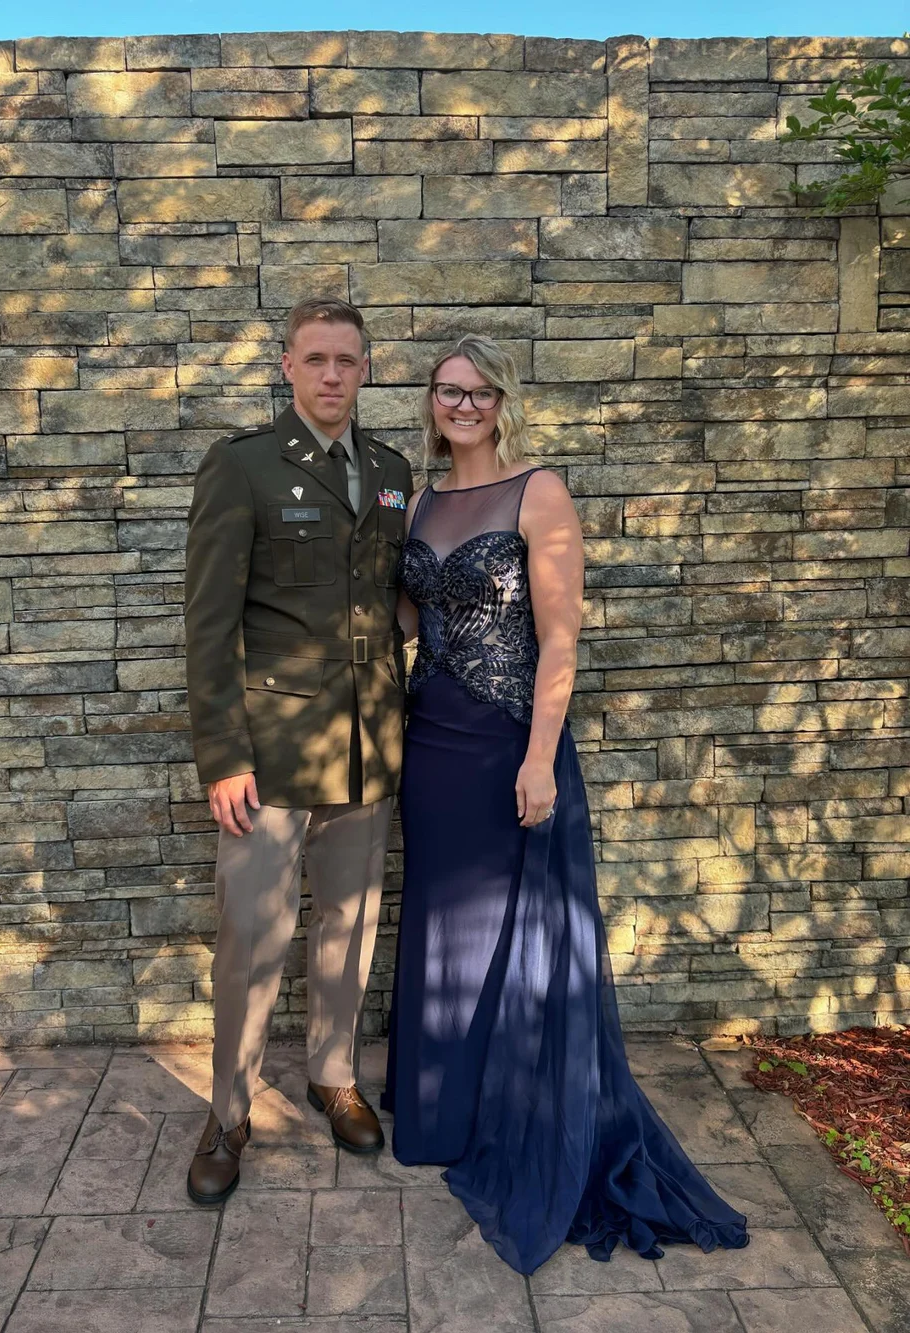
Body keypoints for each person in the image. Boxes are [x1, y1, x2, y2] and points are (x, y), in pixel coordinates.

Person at [382, 335, 749, 1274]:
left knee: (519, 935)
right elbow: (411, 619)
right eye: (446, 391)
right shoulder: (420, 500)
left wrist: (541, 757)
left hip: (511, 745)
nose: (460, 405)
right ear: (431, 401)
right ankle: (444, 1108)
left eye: (478, 392)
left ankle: (519, 1116)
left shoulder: (537, 490)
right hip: (432, 743)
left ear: (504, 401)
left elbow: (559, 639)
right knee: (441, 923)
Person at [183, 297, 413, 1205]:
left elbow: (396, 600)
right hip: (270, 751)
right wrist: (221, 755)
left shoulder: (391, 473)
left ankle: (331, 1074)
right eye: (314, 358)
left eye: (346, 360)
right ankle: (228, 1112)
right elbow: (209, 626)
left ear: (365, 368)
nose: (330, 375)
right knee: (251, 933)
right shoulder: (241, 467)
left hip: (366, 744)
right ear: (286, 365)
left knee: (349, 928)